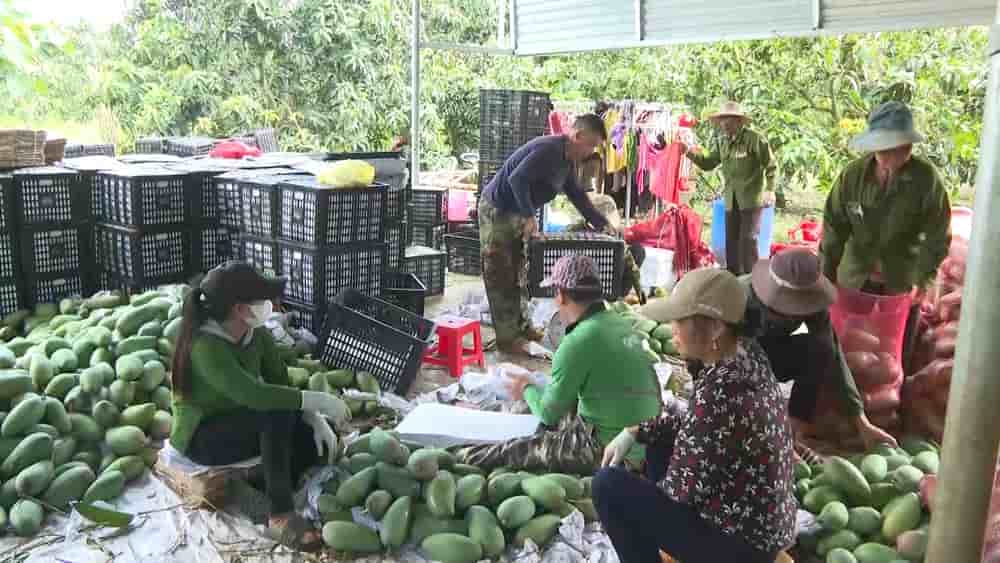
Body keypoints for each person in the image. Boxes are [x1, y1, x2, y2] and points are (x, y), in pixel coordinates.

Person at [595, 268, 796, 563]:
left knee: (607, 486)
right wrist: (635, 430)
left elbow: (681, 491)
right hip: (759, 525)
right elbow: (697, 429)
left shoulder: (721, 393)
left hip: (740, 545)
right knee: (657, 440)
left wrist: (641, 507)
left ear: (715, 328)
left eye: (680, 320)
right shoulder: (747, 355)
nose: (672, 328)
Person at [169, 261, 352, 550]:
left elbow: (279, 384)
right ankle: (279, 514)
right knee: (276, 414)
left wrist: (312, 416)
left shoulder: (258, 336)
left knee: (310, 442)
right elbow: (253, 394)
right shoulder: (204, 346)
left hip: (243, 422)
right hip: (203, 436)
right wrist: (314, 400)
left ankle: (252, 487)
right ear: (239, 308)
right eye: (264, 299)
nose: (272, 304)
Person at [458, 255, 661, 473]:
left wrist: (526, 387)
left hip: (614, 450)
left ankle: (457, 456)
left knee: (513, 451)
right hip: (645, 440)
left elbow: (548, 414)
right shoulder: (620, 324)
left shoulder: (577, 341)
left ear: (561, 295)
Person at [820, 101, 951, 370]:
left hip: (901, 280)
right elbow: (834, 227)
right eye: (883, 148)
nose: (889, 155)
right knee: (849, 345)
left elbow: (938, 235)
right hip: (855, 277)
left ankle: (893, 402)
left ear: (908, 147)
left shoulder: (926, 180)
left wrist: (923, 278)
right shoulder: (853, 176)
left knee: (894, 354)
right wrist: (826, 276)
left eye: (899, 148)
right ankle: (846, 399)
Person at [479, 115, 613, 354]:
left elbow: (577, 195)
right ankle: (507, 338)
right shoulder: (548, 150)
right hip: (498, 211)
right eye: (591, 144)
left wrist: (601, 224)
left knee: (518, 271)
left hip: (518, 212)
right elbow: (516, 179)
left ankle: (521, 327)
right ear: (578, 136)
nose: (591, 151)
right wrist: (530, 216)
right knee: (500, 273)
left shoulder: (568, 162)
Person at [743, 248, 897, 450]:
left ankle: (794, 429)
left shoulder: (812, 302)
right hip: (731, 362)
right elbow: (717, 357)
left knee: (819, 348)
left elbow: (832, 353)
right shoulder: (740, 298)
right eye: (787, 308)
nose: (792, 315)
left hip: (771, 354)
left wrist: (862, 423)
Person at [683, 101, 777, 275]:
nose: (724, 123)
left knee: (748, 242)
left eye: (729, 120)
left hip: (750, 199)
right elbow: (708, 163)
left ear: (739, 121)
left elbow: (771, 165)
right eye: (722, 120)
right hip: (730, 201)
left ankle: (752, 281)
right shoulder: (722, 142)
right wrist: (688, 152)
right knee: (731, 242)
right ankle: (733, 280)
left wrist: (770, 189)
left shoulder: (754, 139)